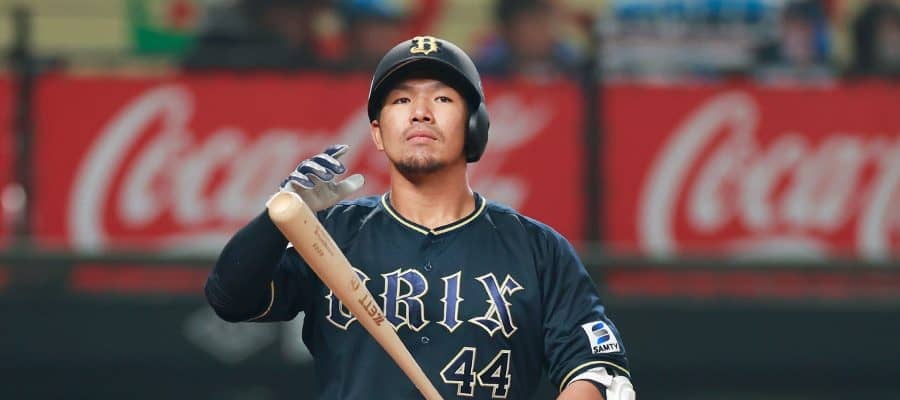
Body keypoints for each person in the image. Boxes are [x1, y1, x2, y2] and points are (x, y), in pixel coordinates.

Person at [205, 36, 634, 399]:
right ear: (377, 131)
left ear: (475, 126)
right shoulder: (330, 235)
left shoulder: (537, 249)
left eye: (442, 98)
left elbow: (600, 374)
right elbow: (229, 299)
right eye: (401, 99)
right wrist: (277, 219)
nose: (420, 111)